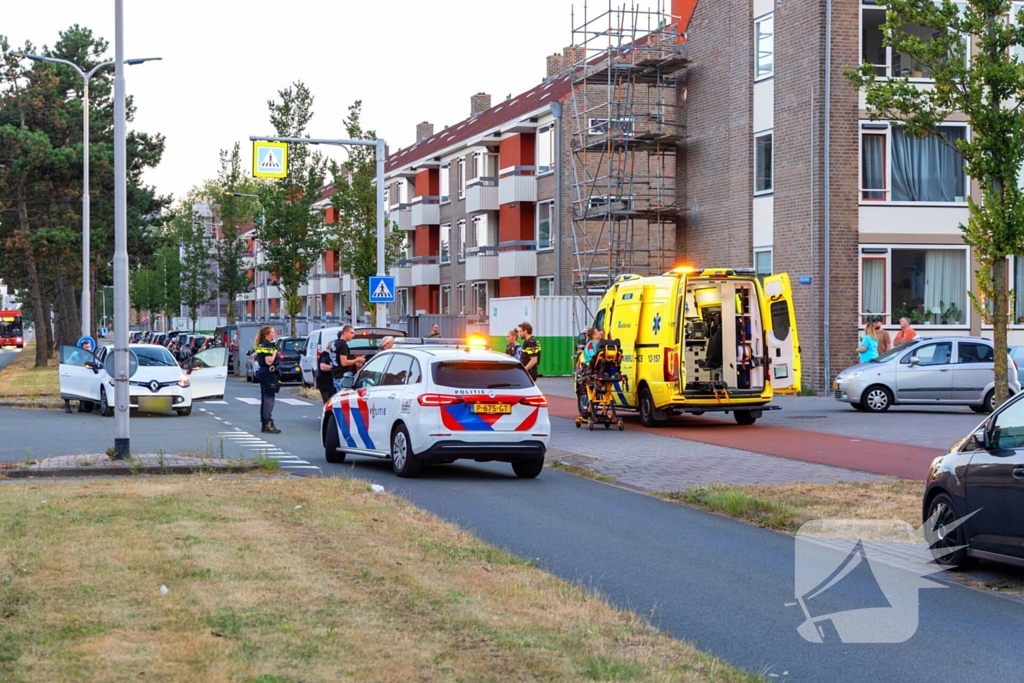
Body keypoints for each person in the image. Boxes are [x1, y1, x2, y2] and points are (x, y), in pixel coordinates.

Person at [254, 326, 281, 434]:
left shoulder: (262, 344)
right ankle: (268, 424)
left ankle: (265, 424)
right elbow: (269, 361)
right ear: (267, 334)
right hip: (269, 373)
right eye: (273, 332)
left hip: (264, 373)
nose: (274, 334)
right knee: (269, 399)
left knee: (265, 398)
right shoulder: (268, 345)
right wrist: (275, 351)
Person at [330, 325, 365, 392]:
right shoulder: (343, 345)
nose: (353, 335)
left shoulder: (334, 343)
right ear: (345, 332)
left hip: (335, 376)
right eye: (351, 333)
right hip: (343, 378)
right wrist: (357, 360)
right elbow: (344, 362)